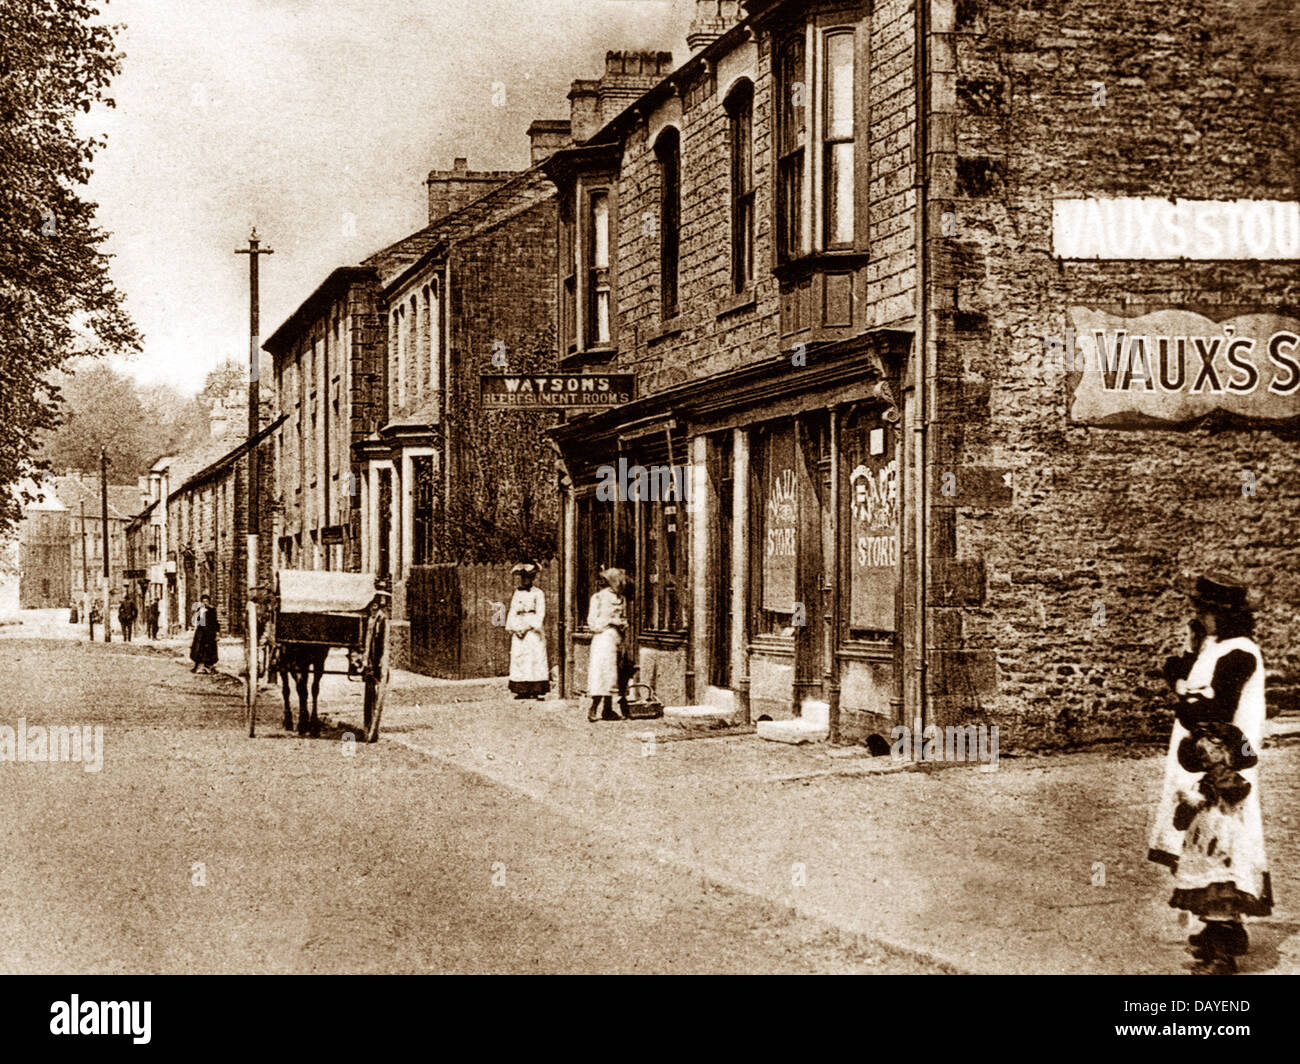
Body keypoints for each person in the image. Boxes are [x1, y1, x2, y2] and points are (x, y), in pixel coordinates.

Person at [1150, 573, 1272, 974]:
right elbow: (1183, 669)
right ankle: (1223, 931)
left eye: (1206, 612)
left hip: (1223, 767)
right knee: (1200, 843)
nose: (1200, 617)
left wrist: (1184, 695)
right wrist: (1183, 675)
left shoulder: (1239, 654)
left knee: (1220, 846)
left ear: (1225, 615)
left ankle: (1223, 954)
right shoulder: (1213, 647)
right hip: (1200, 759)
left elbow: (1213, 713)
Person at [586, 567, 628, 722]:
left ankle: (608, 709)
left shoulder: (621, 598)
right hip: (602, 639)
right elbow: (592, 622)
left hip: (616, 639)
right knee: (601, 673)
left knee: (612, 675)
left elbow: (623, 618)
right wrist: (610, 621)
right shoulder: (598, 597)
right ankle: (593, 708)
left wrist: (623, 624)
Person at [505, 562, 549, 700]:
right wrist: (515, 628)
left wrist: (528, 627)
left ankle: (535, 689)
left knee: (534, 658)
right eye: (522, 577)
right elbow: (512, 611)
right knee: (520, 658)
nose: (525, 580)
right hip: (519, 626)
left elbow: (540, 613)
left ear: (533, 578)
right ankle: (521, 689)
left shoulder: (538, 593)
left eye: (528, 577)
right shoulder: (517, 592)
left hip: (532, 629)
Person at [190, 593, 220, 674]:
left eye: (206, 601)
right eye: (203, 601)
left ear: (209, 601)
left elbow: (215, 622)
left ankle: (209, 666)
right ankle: (200, 667)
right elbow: (200, 621)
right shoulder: (200, 610)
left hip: (210, 632)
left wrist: (217, 633)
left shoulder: (212, 610)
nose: (205, 603)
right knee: (200, 649)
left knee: (210, 650)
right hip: (202, 633)